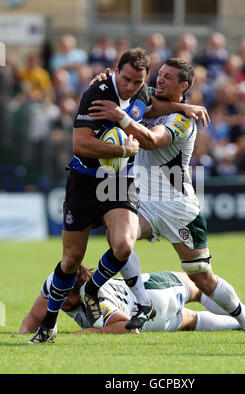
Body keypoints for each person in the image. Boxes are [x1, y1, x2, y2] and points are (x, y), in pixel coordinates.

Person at [29, 48, 210, 344]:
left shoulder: (141, 91)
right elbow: (80, 144)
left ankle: (98, 292)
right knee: (71, 260)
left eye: (137, 82)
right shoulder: (97, 93)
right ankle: (48, 324)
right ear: (116, 71)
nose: (129, 87)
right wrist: (123, 150)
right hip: (86, 182)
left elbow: (153, 107)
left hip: (119, 182)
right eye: (125, 79)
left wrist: (182, 109)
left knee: (124, 245)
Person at [88, 57, 245, 344]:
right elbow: (130, 97)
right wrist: (102, 81)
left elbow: (151, 140)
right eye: (160, 75)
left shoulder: (185, 119)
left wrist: (122, 118)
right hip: (144, 201)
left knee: (202, 278)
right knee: (120, 241)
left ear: (183, 86)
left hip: (177, 207)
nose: (159, 80)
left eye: (168, 77)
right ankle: (142, 303)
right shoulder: (151, 102)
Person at [19, 263, 245, 337]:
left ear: (79, 289)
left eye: (68, 296)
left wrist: (82, 334)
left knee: (193, 298)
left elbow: (126, 326)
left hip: (148, 301)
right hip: (152, 301)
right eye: (60, 295)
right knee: (197, 292)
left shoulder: (92, 298)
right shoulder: (55, 285)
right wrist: (23, 336)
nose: (63, 301)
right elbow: (32, 319)